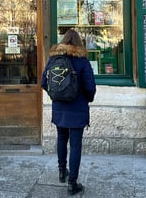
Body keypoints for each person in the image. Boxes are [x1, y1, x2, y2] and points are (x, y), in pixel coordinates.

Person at [41, 29, 96, 195]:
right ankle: (72, 183)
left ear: (63, 41)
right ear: (79, 43)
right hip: (77, 107)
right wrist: (87, 98)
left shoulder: (54, 59)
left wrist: (55, 96)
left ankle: (61, 172)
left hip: (59, 107)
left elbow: (44, 82)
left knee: (62, 138)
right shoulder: (82, 61)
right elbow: (90, 87)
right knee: (76, 145)